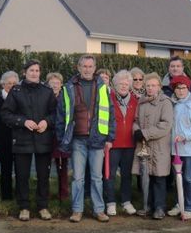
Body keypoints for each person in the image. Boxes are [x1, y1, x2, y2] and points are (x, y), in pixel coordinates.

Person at [56, 55, 116, 223]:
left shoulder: (103, 88)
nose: (87, 69)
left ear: (94, 68)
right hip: (77, 140)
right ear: (79, 67)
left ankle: (99, 210)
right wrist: (62, 138)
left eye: (90, 66)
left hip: (97, 139)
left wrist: (110, 137)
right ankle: (77, 210)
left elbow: (110, 115)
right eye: (84, 66)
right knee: (78, 178)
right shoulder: (68, 88)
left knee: (97, 177)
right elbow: (61, 114)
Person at [2, 60, 56, 221]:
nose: (34, 73)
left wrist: (47, 122)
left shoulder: (47, 91)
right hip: (21, 139)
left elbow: (56, 113)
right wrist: (23, 122)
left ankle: (43, 206)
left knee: (43, 175)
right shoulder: (16, 91)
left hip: (43, 139)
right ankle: (24, 207)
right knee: (22, 175)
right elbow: (6, 114)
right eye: (31, 70)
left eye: (37, 70)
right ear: (25, 72)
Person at [131, 72, 173, 220]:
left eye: (153, 85)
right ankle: (147, 205)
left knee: (159, 178)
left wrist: (145, 133)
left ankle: (160, 207)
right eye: (148, 85)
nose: (150, 88)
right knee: (146, 176)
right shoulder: (141, 102)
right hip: (144, 146)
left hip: (159, 146)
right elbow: (135, 120)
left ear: (159, 87)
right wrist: (136, 131)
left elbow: (165, 125)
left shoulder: (165, 102)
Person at [166, 75, 191, 220]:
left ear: (188, 89)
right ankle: (179, 203)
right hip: (175, 148)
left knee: (189, 177)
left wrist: (185, 135)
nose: (181, 91)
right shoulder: (173, 104)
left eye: (183, 88)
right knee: (178, 178)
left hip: (189, 148)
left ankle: (190, 206)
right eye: (178, 88)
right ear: (174, 90)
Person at [104, 70, 139, 216]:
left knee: (126, 175)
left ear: (130, 85)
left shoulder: (136, 100)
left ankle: (126, 201)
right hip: (112, 144)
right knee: (109, 175)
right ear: (115, 84)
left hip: (129, 145)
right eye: (120, 83)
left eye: (126, 83)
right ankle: (110, 202)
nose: (124, 86)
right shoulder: (107, 98)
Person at [0, 70, 19, 200]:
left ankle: (20, 196)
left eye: (14, 83)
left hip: (19, 140)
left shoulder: (21, 99)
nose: (11, 85)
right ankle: (6, 197)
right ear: (3, 84)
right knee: (6, 169)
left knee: (20, 170)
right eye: (8, 83)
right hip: (3, 140)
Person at [47, 72, 70, 200]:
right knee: (45, 167)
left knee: (63, 167)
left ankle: (64, 195)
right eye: (52, 83)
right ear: (48, 84)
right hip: (47, 136)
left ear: (61, 85)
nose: (55, 86)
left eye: (57, 83)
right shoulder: (44, 97)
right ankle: (45, 194)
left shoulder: (65, 98)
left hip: (61, 137)